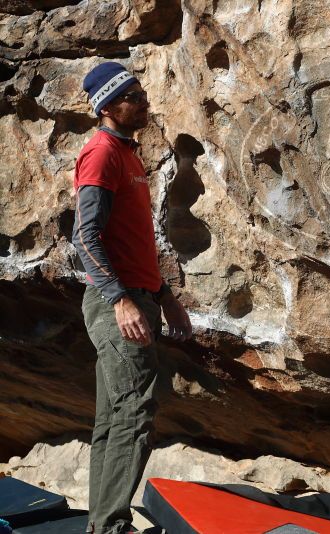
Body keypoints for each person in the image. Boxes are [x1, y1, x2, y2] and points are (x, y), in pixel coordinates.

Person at [72, 62, 193, 534]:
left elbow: (134, 241)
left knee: (114, 418)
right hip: (116, 303)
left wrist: (164, 295)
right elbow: (87, 237)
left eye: (143, 93)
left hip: (140, 296)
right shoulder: (101, 153)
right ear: (108, 106)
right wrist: (121, 301)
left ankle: (102, 525)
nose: (143, 102)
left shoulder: (129, 155)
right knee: (134, 413)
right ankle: (111, 526)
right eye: (133, 96)